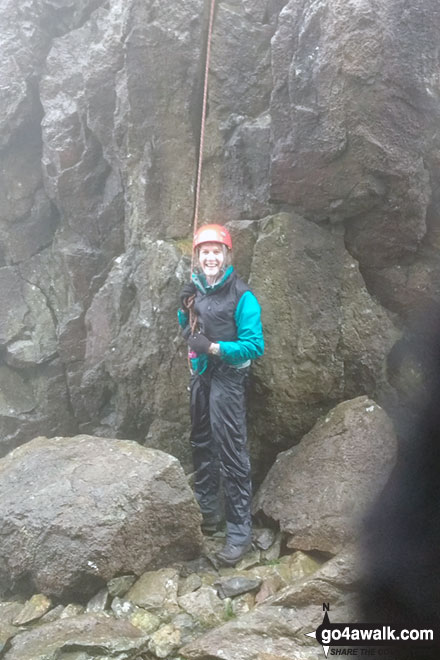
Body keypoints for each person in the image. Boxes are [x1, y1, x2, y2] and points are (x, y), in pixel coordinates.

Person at [178, 224, 264, 566]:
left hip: (228, 376)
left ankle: (239, 531)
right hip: (201, 375)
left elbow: (254, 346)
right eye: (205, 252)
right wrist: (184, 313)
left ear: (226, 256)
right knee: (201, 441)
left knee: (230, 448)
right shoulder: (195, 289)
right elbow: (186, 326)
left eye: (216, 252)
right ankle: (209, 515)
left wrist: (213, 347)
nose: (210, 257)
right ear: (198, 258)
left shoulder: (242, 296)